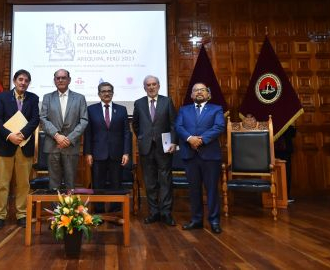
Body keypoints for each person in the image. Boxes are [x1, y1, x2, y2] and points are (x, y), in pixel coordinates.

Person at [0, 69, 40, 230]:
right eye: (20, 79)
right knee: (2, 184)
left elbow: (35, 120)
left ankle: (22, 214)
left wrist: (22, 134)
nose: (23, 83)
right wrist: (10, 135)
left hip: (24, 146)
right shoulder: (3, 97)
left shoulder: (33, 98)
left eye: (26, 80)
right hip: (5, 146)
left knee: (23, 184)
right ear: (14, 80)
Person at [175, 83, 225, 234]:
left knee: (211, 190)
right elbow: (178, 127)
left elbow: (219, 127)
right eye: (195, 90)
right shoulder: (184, 110)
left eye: (202, 90)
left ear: (208, 94)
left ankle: (214, 221)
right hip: (190, 156)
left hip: (210, 155)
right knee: (194, 190)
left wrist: (200, 140)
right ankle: (196, 220)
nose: (199, 92)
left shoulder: (216, 109)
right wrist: (190, 139)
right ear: (191, 95)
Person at [132, 75, 177, 226]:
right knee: (150, 182)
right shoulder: (138, 103)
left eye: (154, 84)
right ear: (144, 87)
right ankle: (154, 212)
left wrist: (174, 142)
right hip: (146, 148)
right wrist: (144, 138)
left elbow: (173, 124)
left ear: (159, 85)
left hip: (164, 148)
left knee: (165, 181)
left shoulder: (167, 101)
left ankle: (166, 213)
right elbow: (136, 125)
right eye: (148, 85)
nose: (151, 87)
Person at [84, 82, 132, 213]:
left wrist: (126, 153)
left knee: (116, 184)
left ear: (113, 93)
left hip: (117, 154)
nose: (106, 93)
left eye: (109, 91)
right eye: (103, 91)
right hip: (97, 154)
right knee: (98, 185)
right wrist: (88, 153)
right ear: (99, 94)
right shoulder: (91, 110)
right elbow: (88, 133)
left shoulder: (121, 109)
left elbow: (126, 133)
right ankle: (98, 212)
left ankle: (115, 212)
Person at [39, 69, 88, 189]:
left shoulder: (79, 98)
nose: (60, 80)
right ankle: (56, 208)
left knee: (70, 183)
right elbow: (43, 119)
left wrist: (69, 139)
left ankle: (70, 208)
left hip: (71, 146)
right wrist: (57, 136)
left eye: (63, 77)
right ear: (54, 80)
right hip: (52, 145)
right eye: (58, 78)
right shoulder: (47, 98)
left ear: (69, 80)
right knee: (54, 183)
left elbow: (84, 120)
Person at [275, 125, 296, 203]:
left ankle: (286, 195)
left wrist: (292, 125)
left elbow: (293, 134)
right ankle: (276, 196)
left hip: (285, 150)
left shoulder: (288, 119)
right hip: (275, 149)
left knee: (287, 173)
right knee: (276, 172)